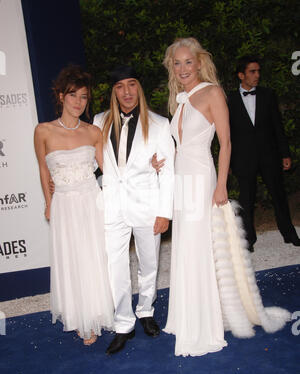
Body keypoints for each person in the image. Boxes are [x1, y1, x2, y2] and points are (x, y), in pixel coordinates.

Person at [155, 37, 290, 357]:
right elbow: (177, 144)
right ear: (172, 68)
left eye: (189, 62)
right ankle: (186, 314)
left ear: (200, 63)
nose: (183, 68)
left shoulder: (213, 93)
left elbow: (226, 143)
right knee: (185, 246)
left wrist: (221, 186)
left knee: (202, 246)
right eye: (177, 63)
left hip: (203, 178)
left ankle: (205, 321)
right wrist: (159, 162)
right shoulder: (179, 98)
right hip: (181, 179)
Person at [93, 65, 175, 355]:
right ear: (113, 91)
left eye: (131, 85)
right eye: (119, 87)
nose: (126, 92)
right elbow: (94, 164)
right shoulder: (99, 121)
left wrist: (165, 211)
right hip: (113, 207)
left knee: (149, 263)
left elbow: (167, 172)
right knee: (115, 266)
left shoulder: (160, 124)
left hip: (148, 206)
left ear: (139, 87)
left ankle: (145, 310)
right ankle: (123, 323)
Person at [34, 65, 114, 346]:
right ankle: (81, 319)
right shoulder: (43, 131)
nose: (79, 102)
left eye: (84, 97)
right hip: (64, 205)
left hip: (92, 201)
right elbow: (44, 171)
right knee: (72, 260)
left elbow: (109, 170)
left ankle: (97, 312)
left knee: (94, 257)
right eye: (73, 96)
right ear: (60, 96)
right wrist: (48, 202)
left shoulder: (94, 132)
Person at [227, 55, 300, 252]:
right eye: (252, 71)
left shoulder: (268, 95)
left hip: (270, 155)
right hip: (244, 158)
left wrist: (285, 154)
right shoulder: (230, 99)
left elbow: (278, 127)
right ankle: (248, 239)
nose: (257, 75)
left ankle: (289, 233)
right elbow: (227, 134)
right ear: (241, 75)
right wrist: (231, 162)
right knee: (246, 200)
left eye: (258, 71)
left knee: (279, 196)